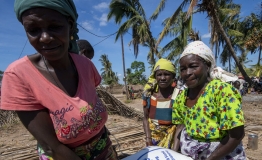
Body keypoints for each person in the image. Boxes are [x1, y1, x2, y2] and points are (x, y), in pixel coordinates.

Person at [0, 1, 117, 160]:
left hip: (103, 148)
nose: (45, 38)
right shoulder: (19, 75)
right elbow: (51, 147)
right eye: (33, 30)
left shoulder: (85, 65)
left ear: (70, 25)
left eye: (54, 26)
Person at [172, 41, 246, 160]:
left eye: (193, 66)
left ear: (207, 65)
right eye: (183, 69)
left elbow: (236, 135)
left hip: (220, 154)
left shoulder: (222, 91)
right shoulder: (182, 96)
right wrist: (173, 154)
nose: (187, 73)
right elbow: (180, 126)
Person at [142, 59, 179, 149]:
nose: (162, 78)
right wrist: (148, 139)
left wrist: (174, 149)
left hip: (173, 139)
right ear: (155, 76)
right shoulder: (148, 95)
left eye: (167, 74)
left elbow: (180, 124)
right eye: (159, 74)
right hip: (153, 138)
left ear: (173, 76)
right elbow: (145, 118)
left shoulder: (178, 95)